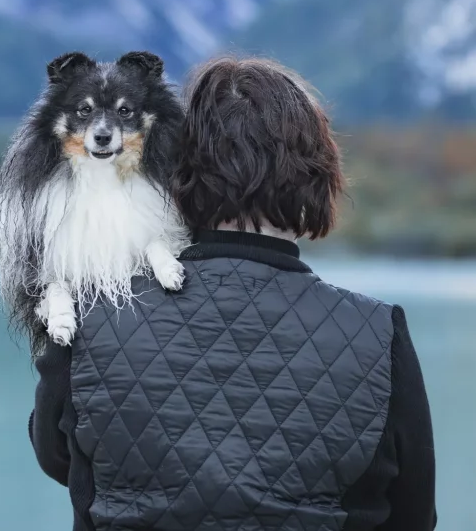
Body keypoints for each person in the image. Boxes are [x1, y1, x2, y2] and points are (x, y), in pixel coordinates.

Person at [29, 56, 437, 530]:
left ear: (176, 166)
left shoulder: (89, 316)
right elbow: (414, 516)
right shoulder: (379, 333)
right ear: (317, 173)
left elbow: (58, 458)